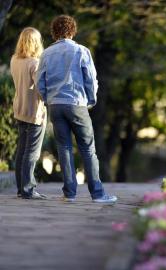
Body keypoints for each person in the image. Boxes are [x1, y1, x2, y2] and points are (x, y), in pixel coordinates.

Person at [36, 15, 117, 203]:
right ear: (73, 30)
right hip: (76, 103)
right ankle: (97, 194)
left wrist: (48, 99)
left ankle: (69, 194)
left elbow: (40, 82)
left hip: (55, 105)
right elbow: (90, 79)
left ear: (54, 32)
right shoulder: (81, 51)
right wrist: (90, 100)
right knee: (88, 149)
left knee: (63, 148)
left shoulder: (46, 53)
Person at [10, 27, 47, 200]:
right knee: (32, 152)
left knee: (21, 151)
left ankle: (20, 189)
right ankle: (28, 190)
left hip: (20, 108)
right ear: (35, 42)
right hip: (34, 112)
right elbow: (40, 90)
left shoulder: (14, 60)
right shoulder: (35, 63)